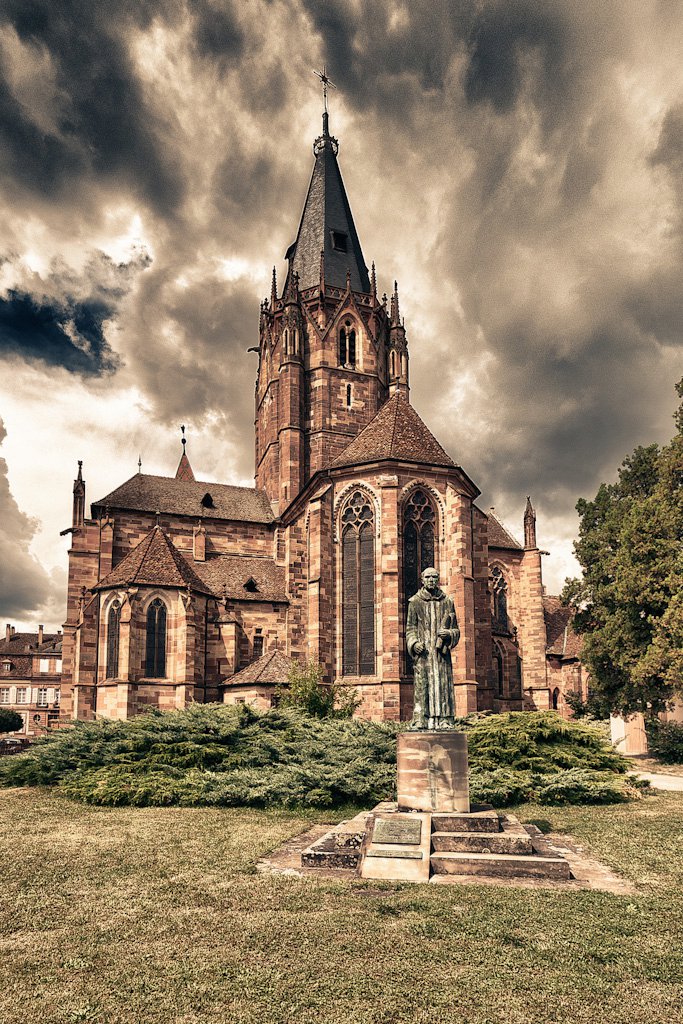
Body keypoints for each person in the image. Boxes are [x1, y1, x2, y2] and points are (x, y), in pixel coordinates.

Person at [406, 567, 460, 730]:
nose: (431, 580)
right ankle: (421, 719)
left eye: (434, 577)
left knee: (443, 685)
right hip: (423, 654)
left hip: (441, 655)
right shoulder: (415, 601)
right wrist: (414, 643)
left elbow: (456, 629)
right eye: (428, 577)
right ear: (422, 580)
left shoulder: (447, 602)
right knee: (423, 685)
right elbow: (410, 628)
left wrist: (449, 634)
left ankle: (445, 719)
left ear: (438, 579)